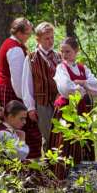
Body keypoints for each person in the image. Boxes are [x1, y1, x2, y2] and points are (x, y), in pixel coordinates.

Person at [49, 37, 97, 180]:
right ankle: (62, 177)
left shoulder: (83, 68)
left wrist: (82, 82)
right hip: (66, 109)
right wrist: (83, 88)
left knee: (82, 141)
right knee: (65, 142)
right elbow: (66, 88)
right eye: (62, 52)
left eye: (68, 51)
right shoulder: (61, 68)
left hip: (81, 109)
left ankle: (84, 177)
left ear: (76, 51)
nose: (64, 55)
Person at [0, 18, 42, 158]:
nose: (29, 36)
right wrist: (26, 102)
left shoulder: (14, 45)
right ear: (19, 33)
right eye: (27, 33)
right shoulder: (14, 48)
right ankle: (26, 166)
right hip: (12, 94)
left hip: (10, 91)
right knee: (21, 128)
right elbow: (18, 80)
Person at [21, 22, 61, 157]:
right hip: (42, 103)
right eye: (46, 38)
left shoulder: (58, 56)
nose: (50, 41)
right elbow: (27, 85)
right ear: (38, 39)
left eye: (52, 38)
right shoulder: (31, 58)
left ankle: (61, 168)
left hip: (58, 103)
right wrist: (30, 107)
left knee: (61, 135)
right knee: (48, 136)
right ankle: (49, 169)